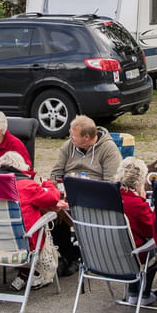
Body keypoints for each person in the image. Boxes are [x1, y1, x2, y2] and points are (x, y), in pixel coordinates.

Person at [49, 115, 123, 275]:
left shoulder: (108, 149)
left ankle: (74, 256)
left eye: (73, 135)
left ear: (87, 137)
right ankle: (67, 254)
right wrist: (59, 186)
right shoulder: (68, 146)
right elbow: (55, 174)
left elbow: (111, 184)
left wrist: (87, 189)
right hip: (68, 196)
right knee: (52, 211)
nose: (70, 137)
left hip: (95, 199)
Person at [0, 151, 61, 290]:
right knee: (43, 220)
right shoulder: (27, 186)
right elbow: (52, 198)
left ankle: (25, 273)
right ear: (21, 168)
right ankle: (35, 272)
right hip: (24, 243)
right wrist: (49, 184)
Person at [114, 156, 157, 306]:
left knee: (133, 244)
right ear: (140, 181)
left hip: (108, 254)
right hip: (132, 255)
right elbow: (152, 230)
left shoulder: (110, 198)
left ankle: (133, 292)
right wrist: (144, 202)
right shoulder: (136, 204)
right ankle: (143, 294)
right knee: (156, 246)